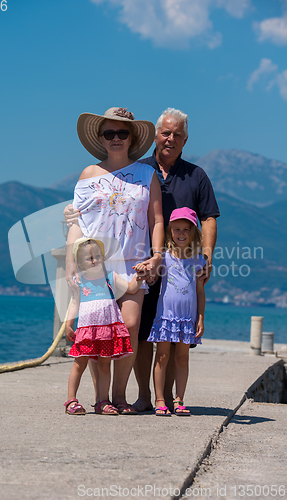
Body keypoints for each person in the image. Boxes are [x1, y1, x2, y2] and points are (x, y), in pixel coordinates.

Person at [65, 107, 164, 415]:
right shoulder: (87, 175)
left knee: (131, 325)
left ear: (132, 138)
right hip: (94, 266)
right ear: (101, 138)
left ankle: (120, 396)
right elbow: (76, 224)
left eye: (122, 133)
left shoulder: (148, 175)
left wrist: (157, 256)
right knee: (98, 331)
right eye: (110, 133)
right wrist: (71, 265)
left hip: (134, 263)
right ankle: (101, 398)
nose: (116, 138)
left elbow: (157, 220)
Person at [133, 108, 220, 412]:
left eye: (177, 134)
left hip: (182, 272)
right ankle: (146, 396)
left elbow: (209, 218)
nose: (170, 138)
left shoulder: (196, 176)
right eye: (165, 132)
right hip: (144, 265)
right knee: (143, 334)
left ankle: (168, 398)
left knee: (172, 339)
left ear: (185, 140)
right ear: (155, 134)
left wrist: (206, 256)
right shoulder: (139, 169)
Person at [136, 207, 205, 416]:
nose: (181, 234)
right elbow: (153, 276)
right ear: (170, 232)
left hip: (187, 319)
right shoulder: (164, 257)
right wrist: (145, 270)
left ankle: (179, 399)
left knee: (182, 358)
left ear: (193, 232)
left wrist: (201, 318)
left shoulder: (199, 260)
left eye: (186, 230)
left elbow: (200, 292)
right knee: (163, 356)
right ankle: (159, 399)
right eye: (177, 230)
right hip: (166, 317)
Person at [64, 238, 142, 415]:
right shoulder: (79, 281)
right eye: (89, 258)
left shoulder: (110, 278)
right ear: (80, 263)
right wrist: (69, 324)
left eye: (97, 256)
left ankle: (102, 401)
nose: (94, 260)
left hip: (107, 332)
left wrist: (139, 276)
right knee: (79, 362)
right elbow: (74, 303)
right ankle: (71, 400)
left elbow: (131, 288)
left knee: (105, 365)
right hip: (86, 331)